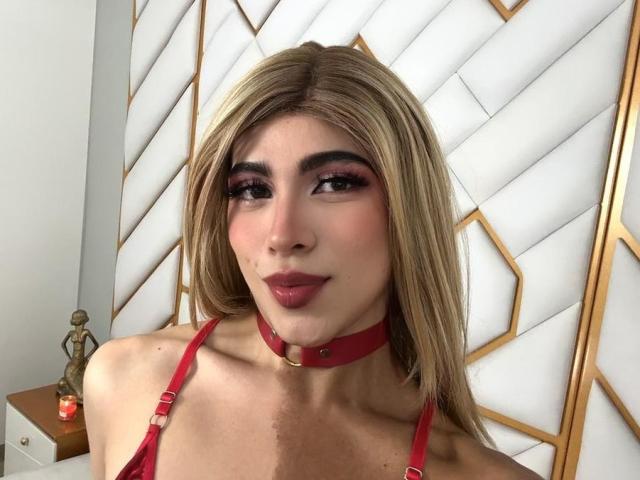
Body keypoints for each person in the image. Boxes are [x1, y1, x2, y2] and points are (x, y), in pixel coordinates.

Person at [83, 41, 542, 479]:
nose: (283, 235)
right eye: (252, 189)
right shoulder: (121, 377)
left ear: (408, 207)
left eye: (336, 183)